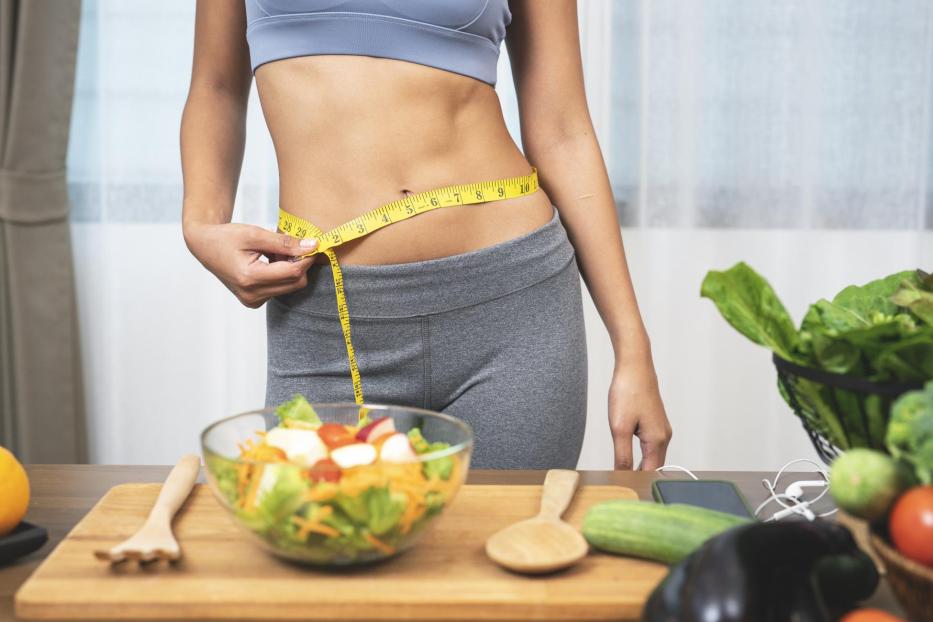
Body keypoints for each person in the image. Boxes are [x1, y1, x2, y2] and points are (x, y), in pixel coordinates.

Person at [180, 0, 671, 469]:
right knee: (325, 537)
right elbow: (216, 86)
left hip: (512, 305)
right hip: (326, 311)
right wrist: (201, 224)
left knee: (506, 548)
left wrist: (633, 349)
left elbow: (562, 127)